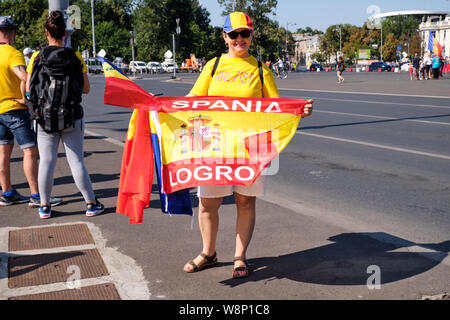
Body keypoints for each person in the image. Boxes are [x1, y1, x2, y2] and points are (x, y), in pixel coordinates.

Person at [183, 11, 313, 279]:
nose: (239, 39)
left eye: (245, 33)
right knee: (208, 203)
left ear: (252, 35)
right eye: (233, 34)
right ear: (224, 37)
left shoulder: (261, 70)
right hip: (214, 147)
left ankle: (240, 256)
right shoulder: (214, 66)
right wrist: (163, 107)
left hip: (250, 149)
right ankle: (208, 252)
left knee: (244, 201)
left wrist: (300, 111)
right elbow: (193, 98)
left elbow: (277, 109)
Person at [25, 11, 104, 219]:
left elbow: (28, 89)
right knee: (76, 160)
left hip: (44, 117)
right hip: (72, 116)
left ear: (46, 32)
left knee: (46, 161)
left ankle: (44, 206)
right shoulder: (75, 57)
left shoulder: (37, 56)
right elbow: (85, 89)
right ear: (64, 34)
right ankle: (91, 204)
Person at [0, 16, 61, 207]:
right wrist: (24, 98)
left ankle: (7, 192)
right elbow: (23, 76)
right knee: (30, 151)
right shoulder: (13, 53)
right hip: (15, 110)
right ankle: (36, 195)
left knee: (3, 152)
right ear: (14, 33)